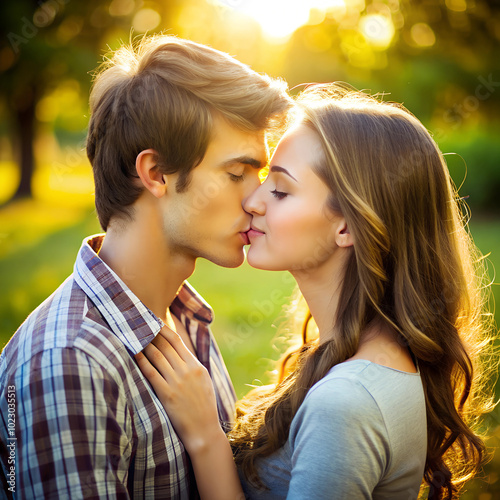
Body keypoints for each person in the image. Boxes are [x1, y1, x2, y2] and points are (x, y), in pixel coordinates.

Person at [135, 83, 496, 499]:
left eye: (282, 190)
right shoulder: (367, 358)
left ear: (348, 226)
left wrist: (204, 437)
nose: (253, 201)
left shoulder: (345, 404)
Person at [0, 35, 291, 498]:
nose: (257, 199)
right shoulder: (69, 363)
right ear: (155, 173)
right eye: (237, 174)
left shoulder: (181, 316)